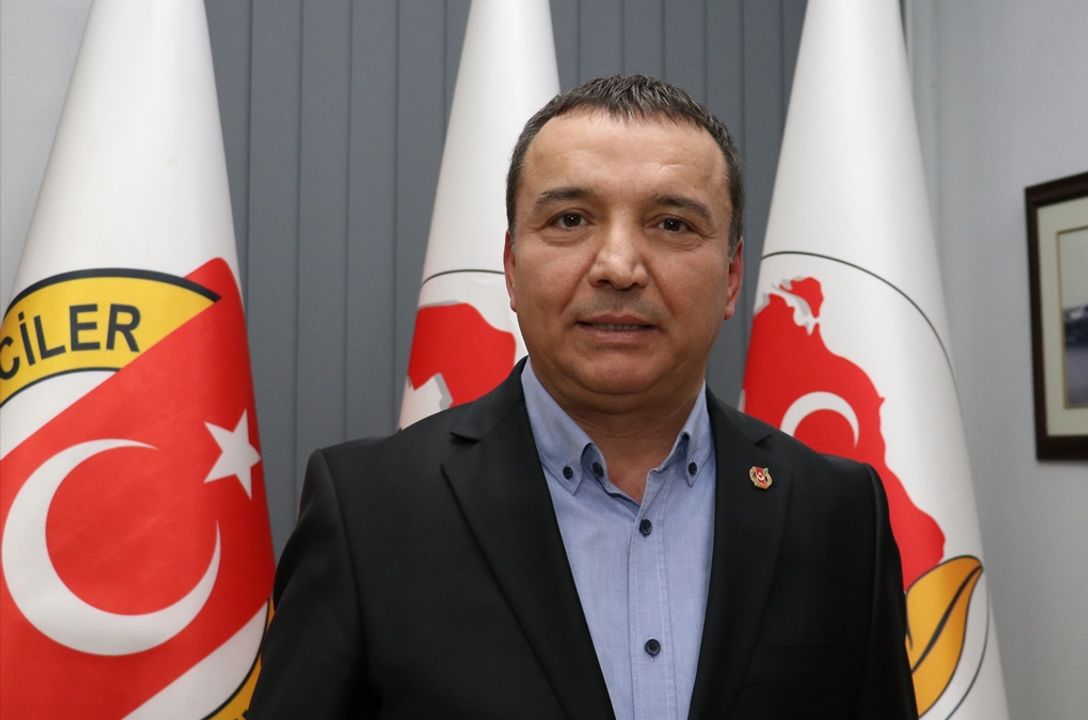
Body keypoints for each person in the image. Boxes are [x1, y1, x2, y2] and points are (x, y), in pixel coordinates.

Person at [249, 75, 916, 720]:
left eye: (672, 224)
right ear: (512, 268)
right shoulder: (369, 511)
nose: (618, 267)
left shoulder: (839, 513)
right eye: (570, 219)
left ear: (734, 276)